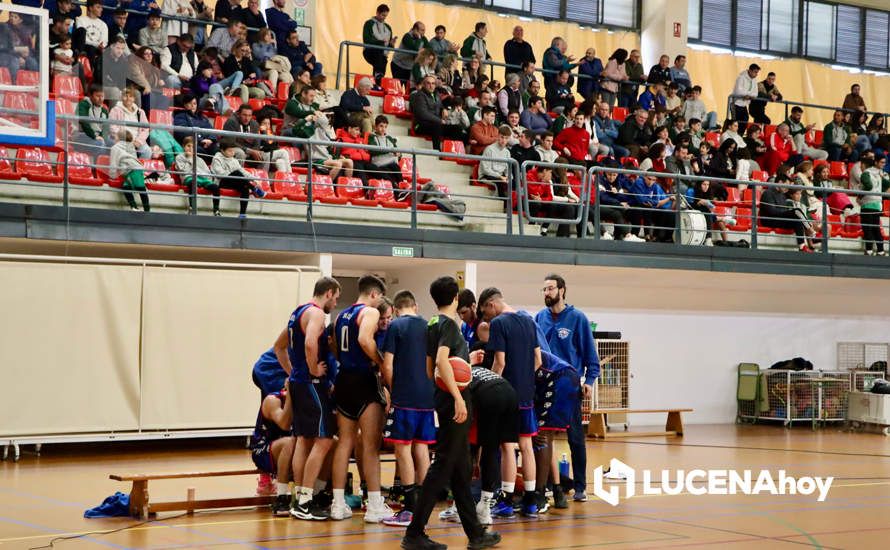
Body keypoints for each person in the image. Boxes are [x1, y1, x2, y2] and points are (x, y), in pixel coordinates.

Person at [401, 276, 500, 550]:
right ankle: (414, 533)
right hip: (455, 402)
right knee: (443, 466)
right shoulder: (451, 325)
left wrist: (465, 364)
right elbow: (443, 362)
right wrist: (457, 397)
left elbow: (431, 368)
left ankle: (476, 535)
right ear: (456, 298)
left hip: (442, 398)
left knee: (460, 470)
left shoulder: (431, 324)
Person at [271, 276, 341, 520]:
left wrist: (294, 373)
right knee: (324, 440)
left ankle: (300, 499)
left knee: (303, 440)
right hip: (311, 384)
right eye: (336, 298)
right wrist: (312, 370)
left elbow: (278, 347)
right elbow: (311, 343)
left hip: (298, 384)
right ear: (329, 293)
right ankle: (304, 502)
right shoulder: (316, 313)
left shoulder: (296, 313)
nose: (335, 303)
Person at [330, 275, 391, 523]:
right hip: (364, 380)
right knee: (370, 446)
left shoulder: (340, 315)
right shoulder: (370, 313)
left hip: (343, 379)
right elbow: (365, 339)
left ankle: (337, 504)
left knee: (344, 443)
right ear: (374, 295)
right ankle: (375, 505)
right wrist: (379, 360)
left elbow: (332, 344)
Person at [478, 287, 541, 518]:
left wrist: (492, 385)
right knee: (526, 447)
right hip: (527, 394)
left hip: (507, 395)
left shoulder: (499, 324)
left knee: (507, 447)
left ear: (491, 305)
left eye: (486, 313)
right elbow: (538, 359)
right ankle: (531, 502)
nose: (487, 318)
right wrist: (525, 378)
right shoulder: (528, 321)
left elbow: (500, 362)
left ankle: (505, 500)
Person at [377, 290, 435, 527]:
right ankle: (424, 504)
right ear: (416, 306)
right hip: (427, 397)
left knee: (402, 449)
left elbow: (387, 365)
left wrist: (393, 390)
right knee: (422, 449)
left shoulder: (396, 326)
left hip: (405, 398)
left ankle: (410, 508)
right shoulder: (430, 326)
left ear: (397, 309)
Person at [532, 350, 580, 511]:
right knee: (546, 437)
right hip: (564, 376)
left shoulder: (508, 350)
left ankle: (538, 495)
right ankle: (557, 491)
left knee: (542, 435)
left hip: (559, 377)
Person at [248, 388, 295, 516]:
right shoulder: (272, 400)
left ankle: (314, 495)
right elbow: (285, 424)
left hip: (286, 450)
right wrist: (291, 396)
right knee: (290, 442)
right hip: (262, 451)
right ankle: (281, 498)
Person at [223, 104, 290, 174]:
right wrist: (250, 151)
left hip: (250, 150)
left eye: (249, 115)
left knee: (265, 156)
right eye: (244, 115)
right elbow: (231, 142)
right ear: (238, 114)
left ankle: (261, 179)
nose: (247, 118)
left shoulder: (254, 124)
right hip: (233, 147)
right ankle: (240, 177)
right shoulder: (231, 122)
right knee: (241, 153)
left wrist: (255, 151)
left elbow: (257, 142)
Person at [210, 139, 267, 217]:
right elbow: (220, 174)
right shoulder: (216, 159)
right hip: (221, 182)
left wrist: (255, 179)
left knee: (245, 187)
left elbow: (243, 172)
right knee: (236, 173)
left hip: (233, 181)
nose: (232, 153)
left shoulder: (234, 160)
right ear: (222, 151)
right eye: (229, 151)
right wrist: (234, 176)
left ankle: (242, 214)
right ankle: (254, 188)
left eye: (233, 151)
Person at [409, 75, 465, 150]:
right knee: (437, 125)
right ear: (424, 84)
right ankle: (437, 152)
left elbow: (440, 106)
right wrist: (439, 120)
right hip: (420, 125)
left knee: (457, 128)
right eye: (428, 83)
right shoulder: (419, 95)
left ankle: (450, 151)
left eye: (433, 83)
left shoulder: (436, 94)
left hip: (436, 125)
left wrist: (443, 109)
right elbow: (423, 114)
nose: (431, 86)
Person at [110, 129, 150, 212]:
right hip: (137, 168)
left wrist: (112, 176)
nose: (114, 137)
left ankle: (140, 209)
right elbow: (135, 158)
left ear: (118, 138)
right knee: (129, 187)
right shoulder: (131, 145)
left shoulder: (115, 147)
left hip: (130, 169)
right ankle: (140, 208)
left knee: (139, 188)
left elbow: (113, 163)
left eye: (116, 136)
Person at [858, 156, 889, 256]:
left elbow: (869, 186)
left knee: (867, 229)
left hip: (867, 204)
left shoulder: (866, 173)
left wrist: (860, 196)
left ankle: (869, 251)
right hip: (878, 204)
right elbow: (887, 184)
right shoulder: (879, 173)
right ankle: (881, 251)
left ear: (863, 165)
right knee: (876, 229)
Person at [109, 88, 151, 159]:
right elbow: (112, 126)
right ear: (121, 97)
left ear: (134, 99)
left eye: (131, 96)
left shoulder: (140, 112)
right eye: (126, 96)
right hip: (122, 139)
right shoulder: (115, 110)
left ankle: (139, 168)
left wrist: (138, 141)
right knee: (130, 150)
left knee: (147, 151)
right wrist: (125, 138)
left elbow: (146, 129)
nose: (128, 98)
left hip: (136, 140)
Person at [361, 4, 395, 86]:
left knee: (383, 62)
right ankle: (377, 77)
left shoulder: (388, 28)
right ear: (377, 12)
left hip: (383, 55)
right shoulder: (369, 23)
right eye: (383, 15)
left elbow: (388, 47)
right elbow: (367, 39)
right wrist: (381, 42)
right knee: (379, 55)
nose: (384, 17)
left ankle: (377, 85)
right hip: (370, 51)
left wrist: (391, 44)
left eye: (386, 16)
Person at [75, 84, 110, 156]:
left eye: (102, 96)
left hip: (97, 137)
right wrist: (94, 136)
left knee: (114, 145)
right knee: (100, 144)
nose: (101, 99)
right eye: (97, 96)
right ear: (90, 96)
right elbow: (84, 122)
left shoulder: (104, 110)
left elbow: (106, 128)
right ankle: (97, 167)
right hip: (82, 135)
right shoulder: (83, 105)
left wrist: (101, 137)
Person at [479, 125, 513, 198]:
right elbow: (486, 170)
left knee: (514, 181)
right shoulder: (489, 149)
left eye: (506, 138)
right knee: (499, 182)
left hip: (500, 176)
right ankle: (504, 204)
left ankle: (514, 205)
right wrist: (500, 177)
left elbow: (508, 170)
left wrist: (509, 177)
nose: (503, 140)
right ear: (498, 136)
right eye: (502, 137)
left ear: (509, 139)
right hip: (487, 176)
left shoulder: (507, 152)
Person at [732, 63, 760, 130]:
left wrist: (747, 95)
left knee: (744, 123)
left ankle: (740, 138)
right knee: (735, 124)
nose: (756, 74)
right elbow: (738, 91)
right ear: (750, 71)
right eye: (755, 72)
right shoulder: (741, 78)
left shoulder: (754, 80)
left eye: (757, 72)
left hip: (744, 105)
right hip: (736, 104)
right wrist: (748, 95)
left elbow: (756, 94)